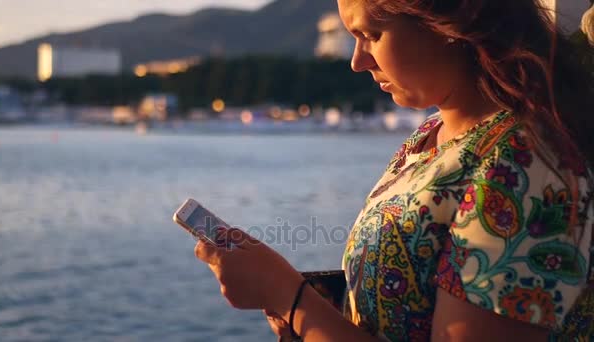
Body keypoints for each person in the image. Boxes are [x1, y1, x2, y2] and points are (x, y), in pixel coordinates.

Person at [194, 0, 594, 340]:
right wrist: (318, 304)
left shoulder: (526, 163)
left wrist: (287, 295)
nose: (356, 61)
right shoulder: (431, 137)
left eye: (370, 35)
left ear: (450, 22)